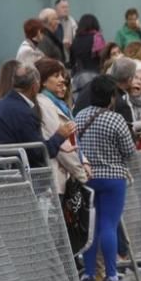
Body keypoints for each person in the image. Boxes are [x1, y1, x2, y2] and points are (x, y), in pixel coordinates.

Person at [74, 75, 135, 281]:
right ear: (111, 97)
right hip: (113, 177)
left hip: (87, 176)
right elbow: (129, 151)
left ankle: (89, 274)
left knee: (90, 227)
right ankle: (111, 274)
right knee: (108, 224)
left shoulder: (79, 117)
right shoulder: (116, 119)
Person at [0, 63, 76, 168]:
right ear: (35, 86)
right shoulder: (24, 112)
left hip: (2, 170)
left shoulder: (1, 104)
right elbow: (38, 153)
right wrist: (60, 136)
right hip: (19, 174)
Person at [36, 58, 89, 195]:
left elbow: (74, 140)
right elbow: (61, 144)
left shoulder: (60, 104)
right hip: (56, 174)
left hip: (65, 173)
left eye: (63, 76)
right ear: (43, 80)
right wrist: (81, 174)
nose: (62, 80)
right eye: (56, 76)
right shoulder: (44, 104)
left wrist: (84, 161)